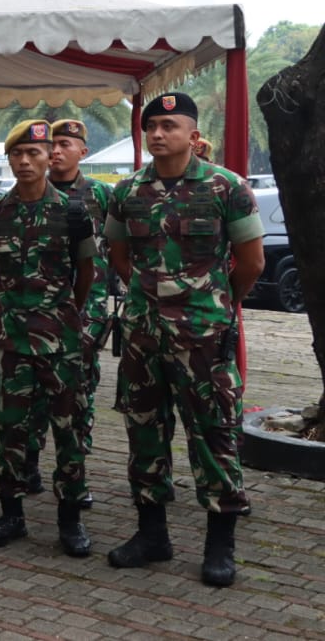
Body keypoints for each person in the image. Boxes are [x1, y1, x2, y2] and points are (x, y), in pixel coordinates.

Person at [104, 92, 264, 588]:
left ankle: (220, 545)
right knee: (145, 432)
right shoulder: (128, 191)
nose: (157, 133)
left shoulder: (226, 188)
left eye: (169, 125)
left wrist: (213, 306)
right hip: (143, 337)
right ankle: (152, 535)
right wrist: (151, 300)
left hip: (203, 340)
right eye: (150, 125)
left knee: (214, 435)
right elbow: (119, 254)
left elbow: (252, 263)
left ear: (192, 135)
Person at [0, 120, 95, 558]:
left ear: (50, 158)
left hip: (59, 341)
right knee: (11, 427)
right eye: (17, 155)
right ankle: (11, 513)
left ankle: (70, 520)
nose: (25, 162)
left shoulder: (73, 213)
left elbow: (85, 273)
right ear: (8, 160)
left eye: (34, 154)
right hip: (12, 341)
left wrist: (65, 315)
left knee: (68, 428)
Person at [26, 119, 114, 502]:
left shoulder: (100, 195)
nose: (57, 151)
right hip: (36, 310)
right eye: (52, 145)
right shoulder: (30, 193)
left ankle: (76, 469)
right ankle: (27, 466)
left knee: (78, 391)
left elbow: (119, 247)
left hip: (85, 309)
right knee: (28, 396)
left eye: (65, 144)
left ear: (83, 152)